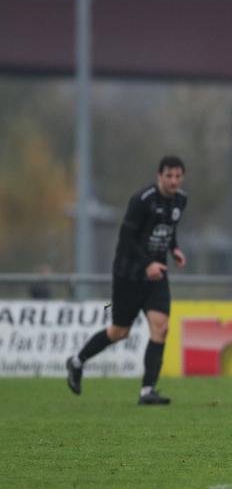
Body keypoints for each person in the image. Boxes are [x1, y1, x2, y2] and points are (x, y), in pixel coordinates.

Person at [66, 155, 188, 405]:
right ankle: (77, 362)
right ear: (159, 176)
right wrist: (147, 264)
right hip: (129, 274)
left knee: (161, 327)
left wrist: (174, 249)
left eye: (178, 176)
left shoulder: (180, 201)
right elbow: (126, 239)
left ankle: (147, 391)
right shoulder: (142, 200)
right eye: (169, 176)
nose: (174, 181)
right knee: (119, 332)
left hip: (157, 274)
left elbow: (169, 229)